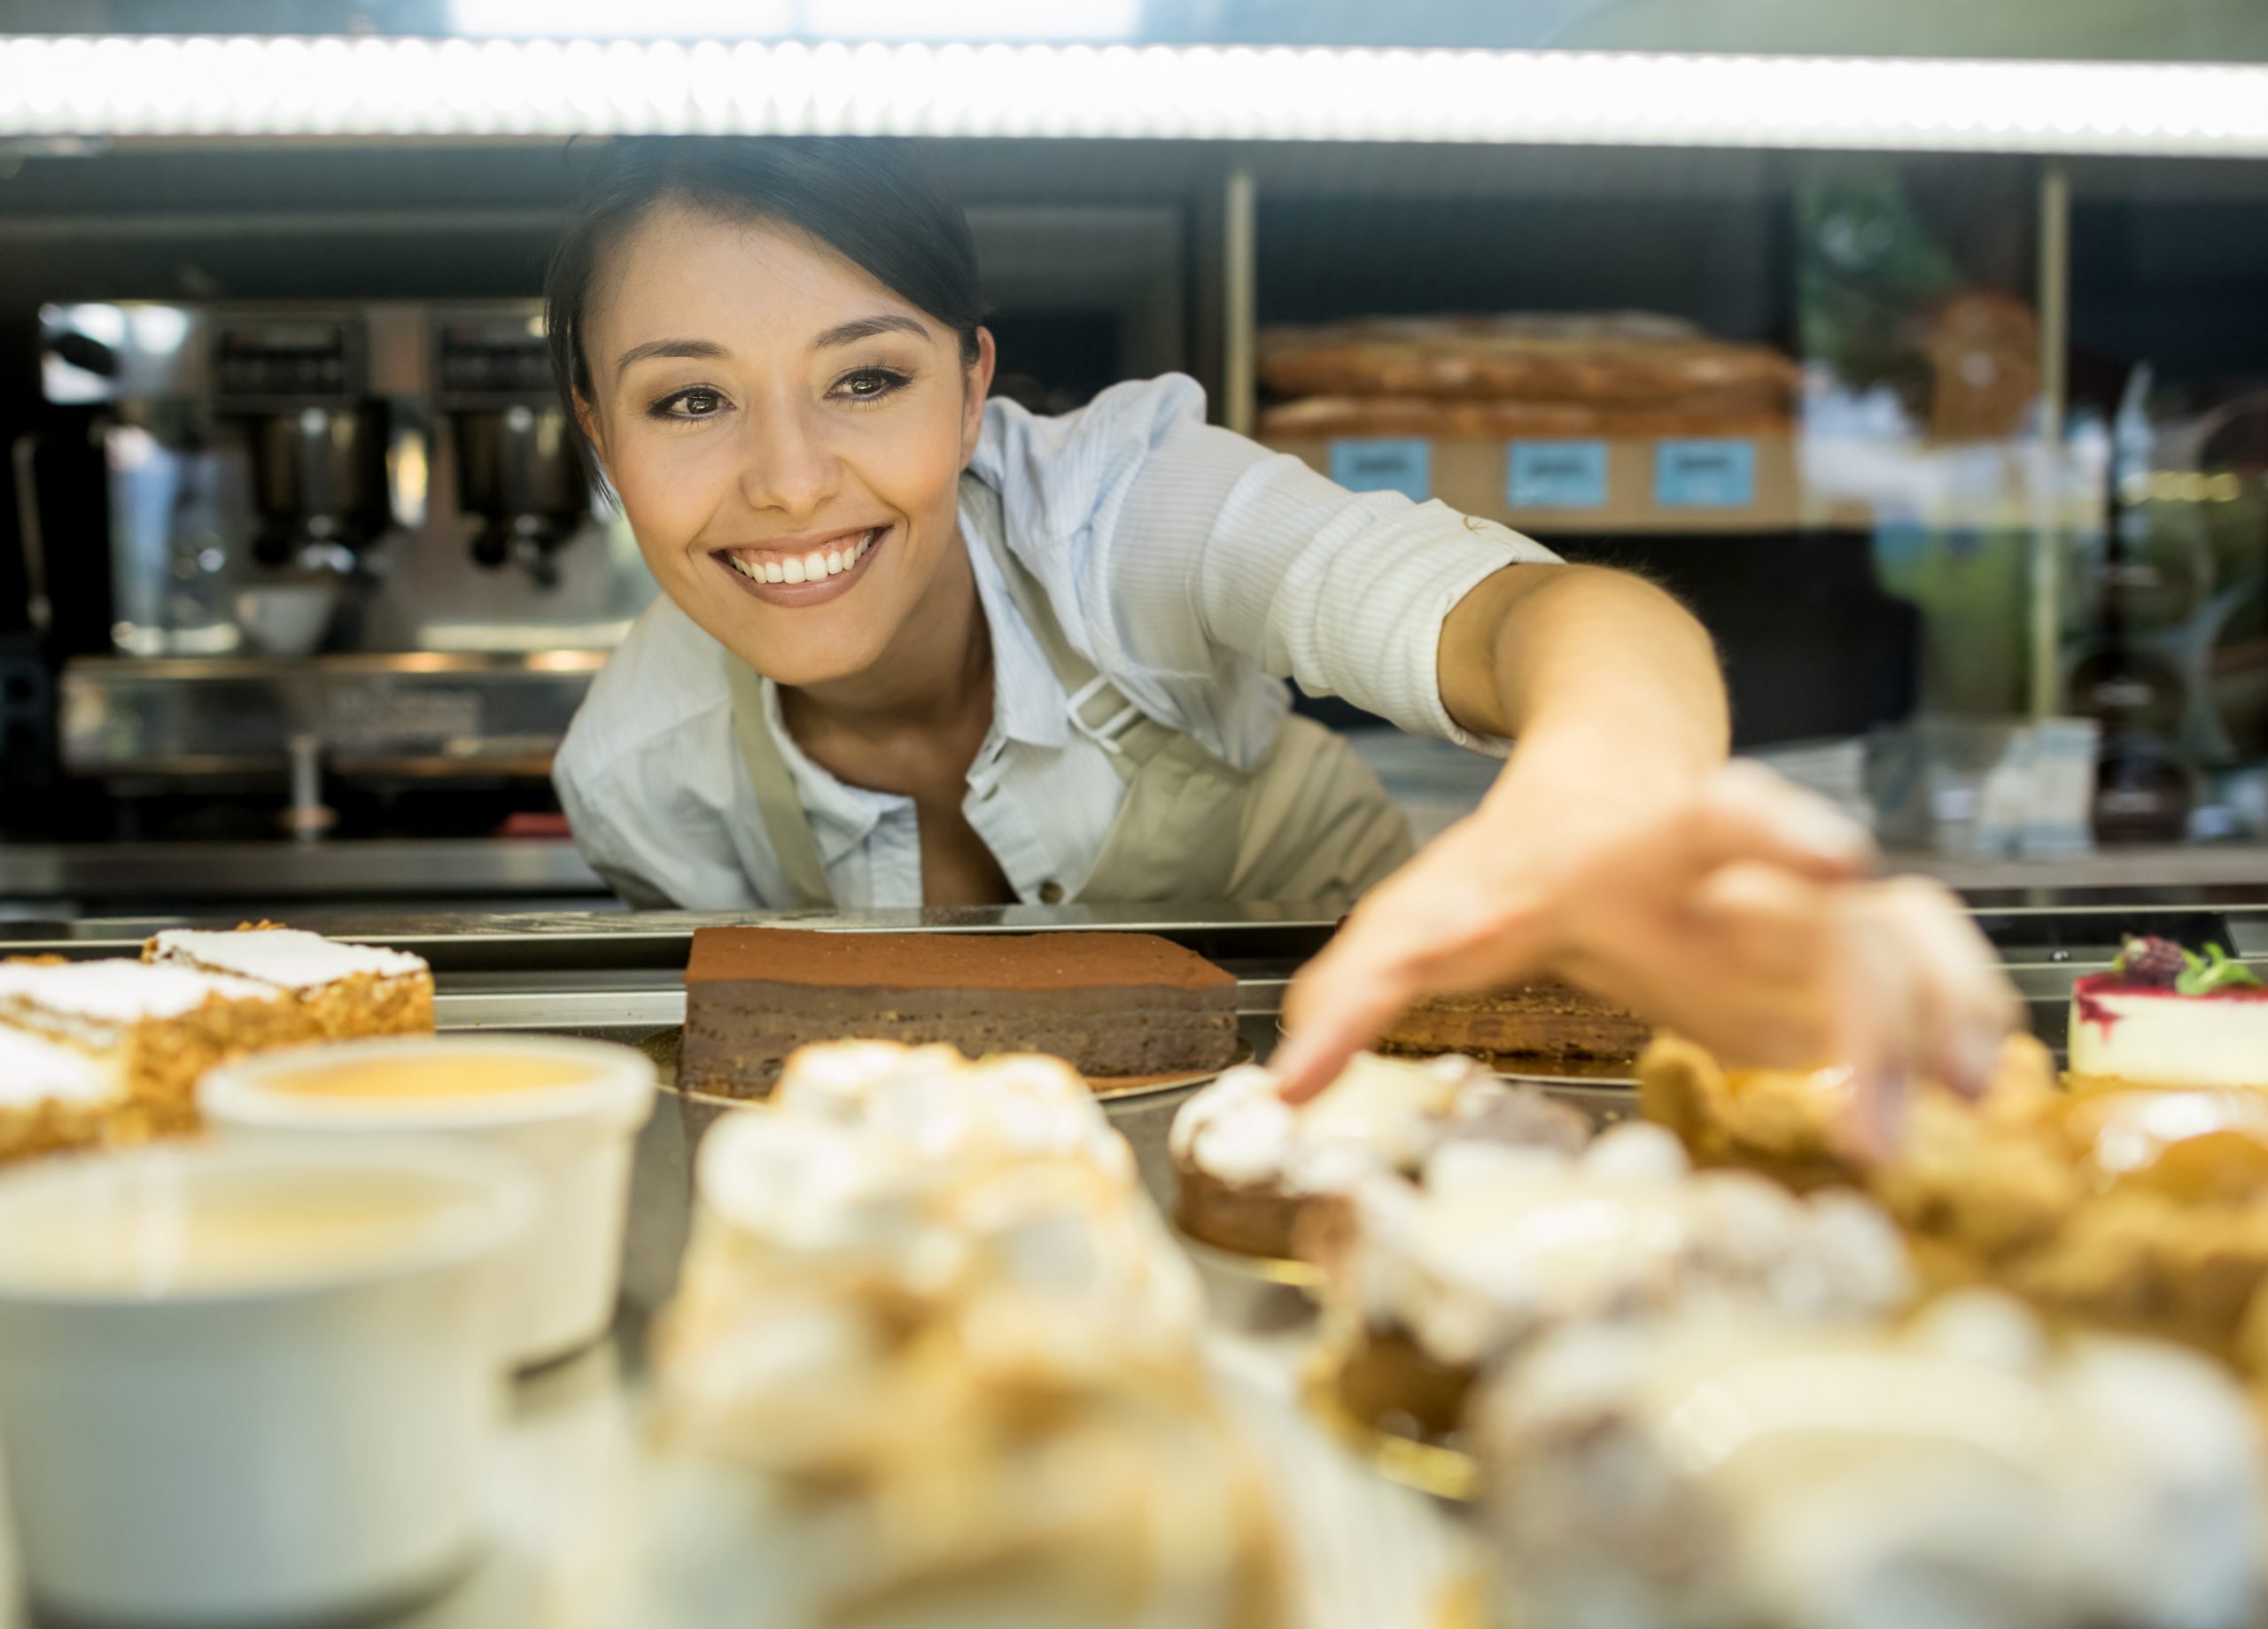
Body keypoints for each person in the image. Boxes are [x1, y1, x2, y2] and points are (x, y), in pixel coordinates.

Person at [547, 136, 2016, 1136]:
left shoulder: (1131, 510)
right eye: (691, 401)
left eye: (866, 379)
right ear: (598, 437)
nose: (792, 480)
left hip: (1391, 1058)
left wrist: (1598, 810)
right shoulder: (638, 776)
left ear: (974, 383)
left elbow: (1550, 620)